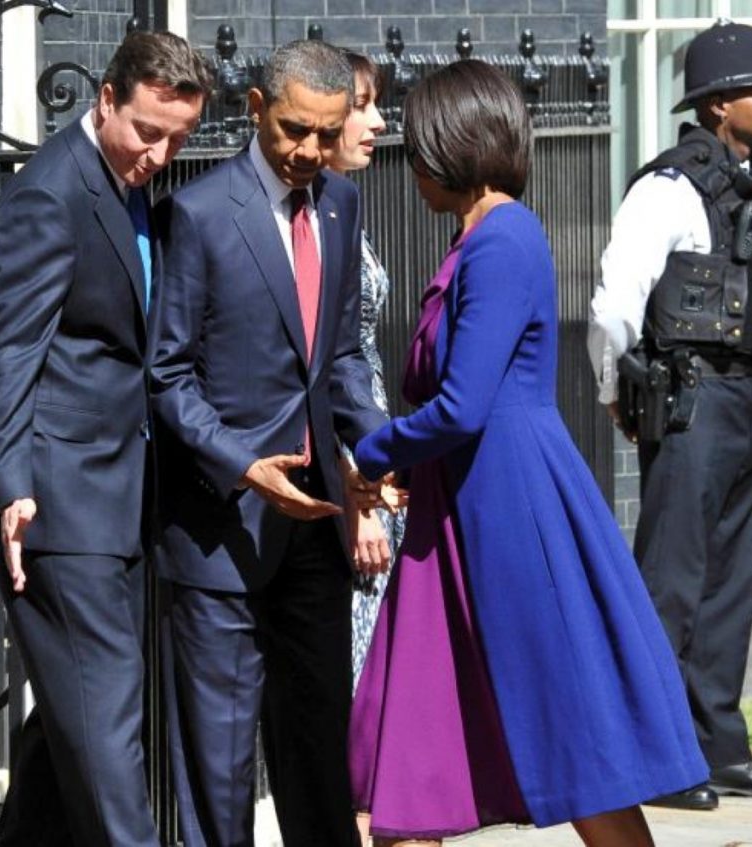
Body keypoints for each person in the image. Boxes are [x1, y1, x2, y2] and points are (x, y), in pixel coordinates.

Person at [349, 59, 709, 847]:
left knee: (575, 744)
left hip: (508, 508)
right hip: (456, 509)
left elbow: (465, 404)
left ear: (455, 144)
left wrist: (371, 455)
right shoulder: (473, 238)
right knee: (412, 761)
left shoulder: (504, 238)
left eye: (416, 148)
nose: (407, 165)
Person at [152, 39, 388, 847]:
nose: (310, 152)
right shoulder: (199, 212)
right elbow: (168, 375)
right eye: (294, 130)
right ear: (255, 111)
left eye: (326, 135)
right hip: (222, 531)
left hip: (314, 529)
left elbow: (343, 357)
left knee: (319, 752)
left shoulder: (340, 204)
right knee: (219, 769)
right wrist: (242, 464)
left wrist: (380, 452)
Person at [0, 31, 211, 846]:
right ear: (106, 99)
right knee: (109, 732)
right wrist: (10, 484)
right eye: (148, 130)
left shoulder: (128, 187)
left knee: (76, 720)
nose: (159, 153)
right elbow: (12, 351)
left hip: (119, 494)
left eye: (178, 137)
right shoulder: (50, 194)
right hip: (61, 502)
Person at [588, 19, 752, 809]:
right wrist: (617, 391)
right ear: (716, 106)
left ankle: (717, 747)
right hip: (688, 397)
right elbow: (614, 306)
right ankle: (650, 755)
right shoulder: (667, 188)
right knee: (671, 583)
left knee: (730, 582)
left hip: (743, 392)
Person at [327, 50, 407, 685]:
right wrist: (359, 499)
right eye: (362, 107)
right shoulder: (317, 219)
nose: (378, 121)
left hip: (370, 449)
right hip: (349, 469)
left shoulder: (343, 206)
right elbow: (322, 363)